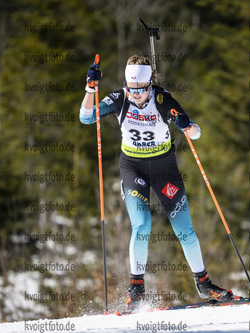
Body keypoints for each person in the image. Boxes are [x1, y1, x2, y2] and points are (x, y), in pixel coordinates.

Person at [80, 55, 233, 310]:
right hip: (133, 168)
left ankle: (204, 283)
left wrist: (188, 124)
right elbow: (86, 118)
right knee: (142, 225)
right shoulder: (119, 99)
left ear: (150, 84)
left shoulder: (162, 99)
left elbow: (196, 133)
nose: (137, 95)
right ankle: (136, 289)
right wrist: (90, 88)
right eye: (132, 89)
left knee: (185, 230)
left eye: (141, 90)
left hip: (165, 169)